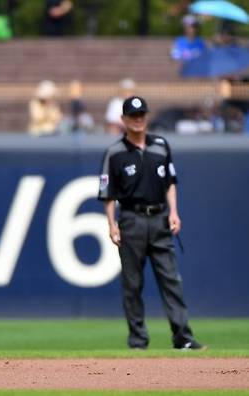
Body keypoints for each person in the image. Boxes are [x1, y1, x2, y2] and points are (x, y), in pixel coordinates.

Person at [98, 96, 205, 351]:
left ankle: (183, 338)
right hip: (132, 220)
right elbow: (107, 194)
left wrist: (174, 212)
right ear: (123, 120)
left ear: (146, 117)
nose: (138, 120)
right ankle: (138, 340)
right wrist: (112, 224)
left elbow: (170, 183)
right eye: (132, 116)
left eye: (141, 115)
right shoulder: (114, 153)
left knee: (171, 280)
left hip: (159, 218)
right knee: (133, 284)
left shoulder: (161, 145)